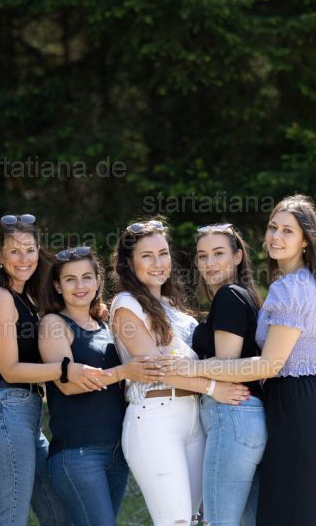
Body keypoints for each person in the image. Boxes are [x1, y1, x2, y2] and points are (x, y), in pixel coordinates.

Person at [162, 196, 316, 526]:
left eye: (288, 231)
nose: (276, 236)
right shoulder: (302, 282)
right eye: (273, 227)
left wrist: (194, 368)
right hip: (313, 407)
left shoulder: (291, 288)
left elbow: (268, 365)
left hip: (300, 411)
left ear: (306, 240)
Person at [109, 219, 250, 526]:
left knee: (197, 519)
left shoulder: (173, 306)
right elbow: (155, 368)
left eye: (163, 253)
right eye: (147, 256)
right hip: (155, 418)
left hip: (194, 418)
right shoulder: (126, 304)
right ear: (129, 263)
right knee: (176, 522)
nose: (158, 263)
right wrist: (214, 388)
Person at [0, 214, 106, 526]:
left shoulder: (30, 300)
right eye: (15, 251)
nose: (24, 259)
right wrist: (65, 370)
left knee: (60, 516)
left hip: (27, 417)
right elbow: (9, 370)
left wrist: (92, 313)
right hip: (6, 411)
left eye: (30, 250)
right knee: (11, 519)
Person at [38, 245, 163, 526]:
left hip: (118, 452)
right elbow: (68, 385)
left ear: (98, 281)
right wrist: (124, 371)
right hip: (79, 453)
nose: (80, 286)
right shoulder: (54, 324)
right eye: (70, 279)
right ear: (57, 286)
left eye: (86, 277)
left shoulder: (106, 326)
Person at [192, 223, 266, 526]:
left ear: (237, 256)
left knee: (219, 521)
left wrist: (184, 369)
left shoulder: (228, 296)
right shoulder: (246, 297)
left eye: (218, 253)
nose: (209, 263)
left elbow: (226, 366)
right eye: (202, 256)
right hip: (249, 419)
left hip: (231, 415)